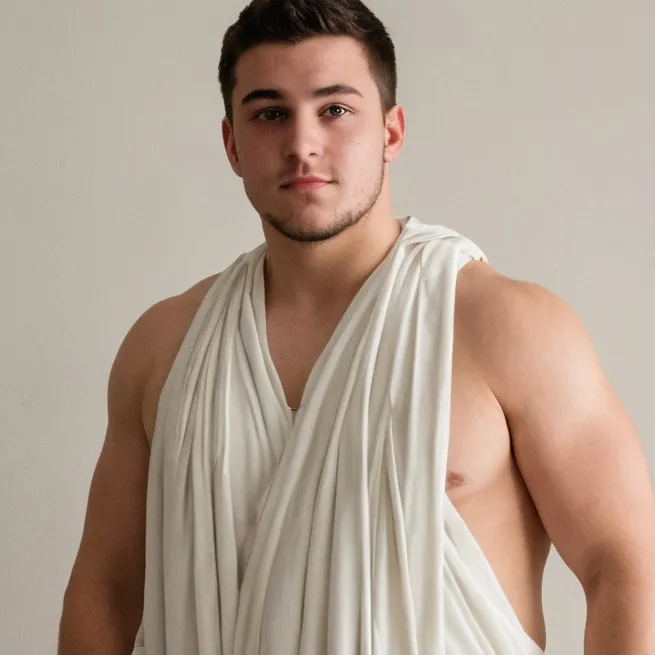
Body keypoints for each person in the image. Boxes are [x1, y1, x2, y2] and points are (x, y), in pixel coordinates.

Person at [58, 0, 655, 653]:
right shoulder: (164, 345)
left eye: (335, 109)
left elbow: (626, 562)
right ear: (232, 144)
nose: (302, 144)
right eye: (270, 113)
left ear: (392, 132)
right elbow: (106, 589)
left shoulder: (507, 328)